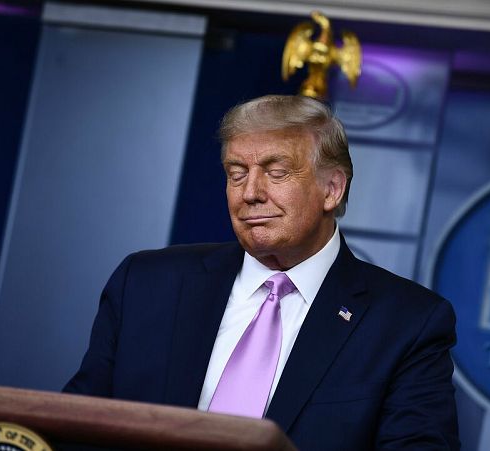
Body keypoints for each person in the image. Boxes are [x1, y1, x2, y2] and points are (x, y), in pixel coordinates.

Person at [64, 95, 459, 450]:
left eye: (276, 172)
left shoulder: (407, 324)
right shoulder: (146, 284)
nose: (250, 192)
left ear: (332, 189)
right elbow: (74, 428)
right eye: (237, 173)